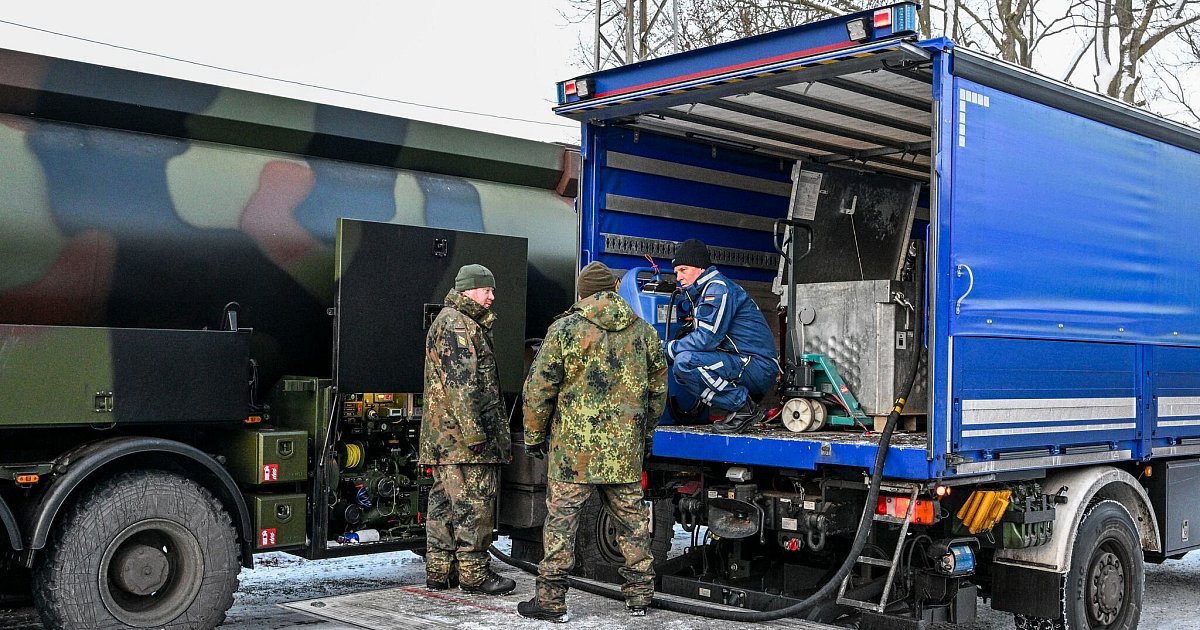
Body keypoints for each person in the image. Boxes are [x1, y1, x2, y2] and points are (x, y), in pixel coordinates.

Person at [518, 261, 668, 623]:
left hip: (574, 454)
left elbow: (539, 388)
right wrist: (644, 437)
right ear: (614, 290)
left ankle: (551, 602)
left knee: (560, 526)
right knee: (632, 523)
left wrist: (535, 435)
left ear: (582, 292)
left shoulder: (565, 329)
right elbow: (657, 389)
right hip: (623, 452)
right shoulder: (643, 332)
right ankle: (640, 597)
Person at [418, 263, 516, 596]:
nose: (492, 297)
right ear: (468, 290)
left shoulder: (454, 322)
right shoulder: (458, 325)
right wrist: (476, 435)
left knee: (445, 504)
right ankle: (473, 575)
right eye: (486, 289)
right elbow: (462, 386)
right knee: (473, 505)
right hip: (463, 441)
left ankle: (440, 571)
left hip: (448, 440)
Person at [666, 238, 779, 433]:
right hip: (747, 362)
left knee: (685, 362)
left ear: (700, 267)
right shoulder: (705, 290)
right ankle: (740, 407)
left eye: (683, 270)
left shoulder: (717, 289)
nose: (678, 277)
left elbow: (706, 339)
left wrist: (666, 348)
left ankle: (743, 407)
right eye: (676, 272)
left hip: (756, 366)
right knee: (682, 365)